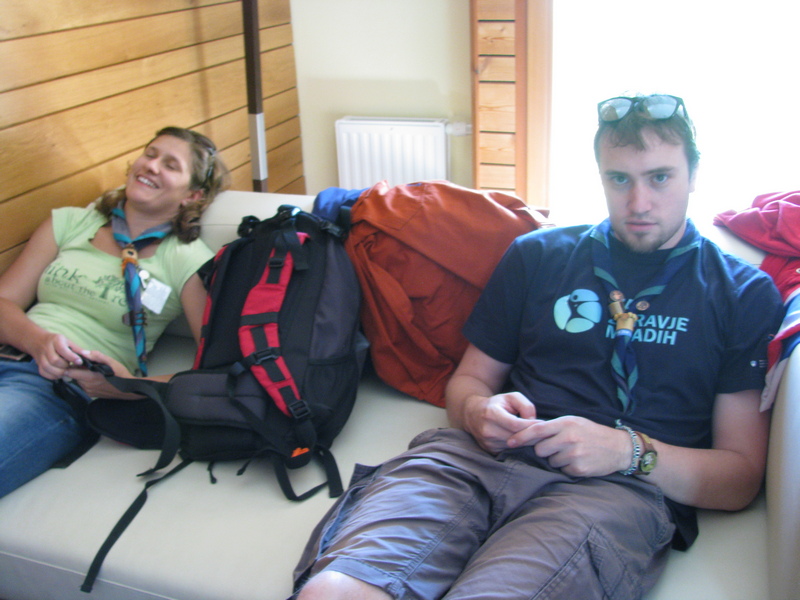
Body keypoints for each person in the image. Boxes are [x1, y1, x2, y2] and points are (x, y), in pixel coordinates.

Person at [290, 94, 785, 600]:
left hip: (613, 491)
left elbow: (740, 478)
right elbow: (469, 382)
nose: (639, 203)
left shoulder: (741, 293)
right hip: (471, 461)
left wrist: (625, 450)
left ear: (694, 174)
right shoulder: (538, 255)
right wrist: (477, 411)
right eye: (619, 179)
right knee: (330, 593)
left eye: (660, 177)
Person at [0, 126, 230, 498]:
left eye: (170, 164)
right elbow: (4, 302)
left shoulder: (188, 261)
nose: (151, 165)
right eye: (150, 154)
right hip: (13, 350)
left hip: (55, 389)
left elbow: (218, 367)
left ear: (193, 195)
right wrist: (38, 341)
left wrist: (128, 388)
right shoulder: (70, 223)